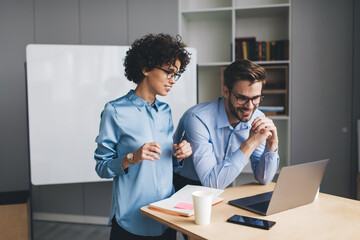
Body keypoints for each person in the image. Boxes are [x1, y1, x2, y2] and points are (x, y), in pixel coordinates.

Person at [94, 33, 192, 240]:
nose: (172, 80)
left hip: (165, 217)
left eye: (176, 74)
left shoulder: (166, 111)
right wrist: (132, 157)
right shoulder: (115, 110)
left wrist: (179, 155)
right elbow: (101, 167)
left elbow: (166, 164)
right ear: (146, 68)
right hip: (130, 222)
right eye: (168, 72)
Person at [173, 59, 279, 191]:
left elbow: (264, 178)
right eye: (242, 98)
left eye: (256, 98)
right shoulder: (198, 119)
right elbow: (211, 183)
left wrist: (271, 146)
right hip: (186, 187)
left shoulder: (257, 118)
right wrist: (251, 143)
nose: (250, 106)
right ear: (226, 92)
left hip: (221, 186)